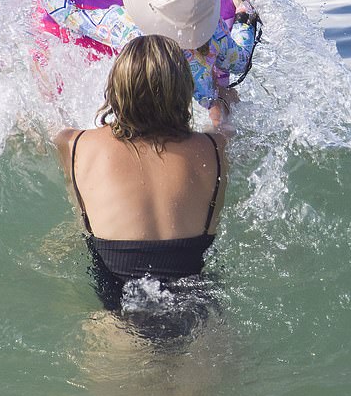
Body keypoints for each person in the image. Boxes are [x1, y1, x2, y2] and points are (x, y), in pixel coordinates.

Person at [54, 34, 228, 336]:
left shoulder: (75, 145)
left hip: (119, 326)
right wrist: (220, 95)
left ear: (116, 89)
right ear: (184, 91)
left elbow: (40, 123)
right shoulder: (215, 149)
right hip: (201, 322)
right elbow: (224, 121)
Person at [41, 0, 259, 128]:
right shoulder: (214, 31)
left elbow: (68, 15)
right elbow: (240, 62)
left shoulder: (125, 24)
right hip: (193, 120)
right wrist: (243, 17)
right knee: (226, 99)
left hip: (139, 115)